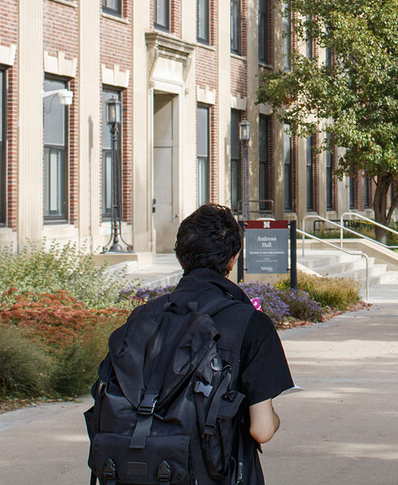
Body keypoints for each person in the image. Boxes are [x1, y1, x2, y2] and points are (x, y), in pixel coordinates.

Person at [87, 204, 292, 485]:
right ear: (233, 259)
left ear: (180, 256)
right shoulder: (251, 323)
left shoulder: (141, 318)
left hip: (137, 472)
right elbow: (262, 430)